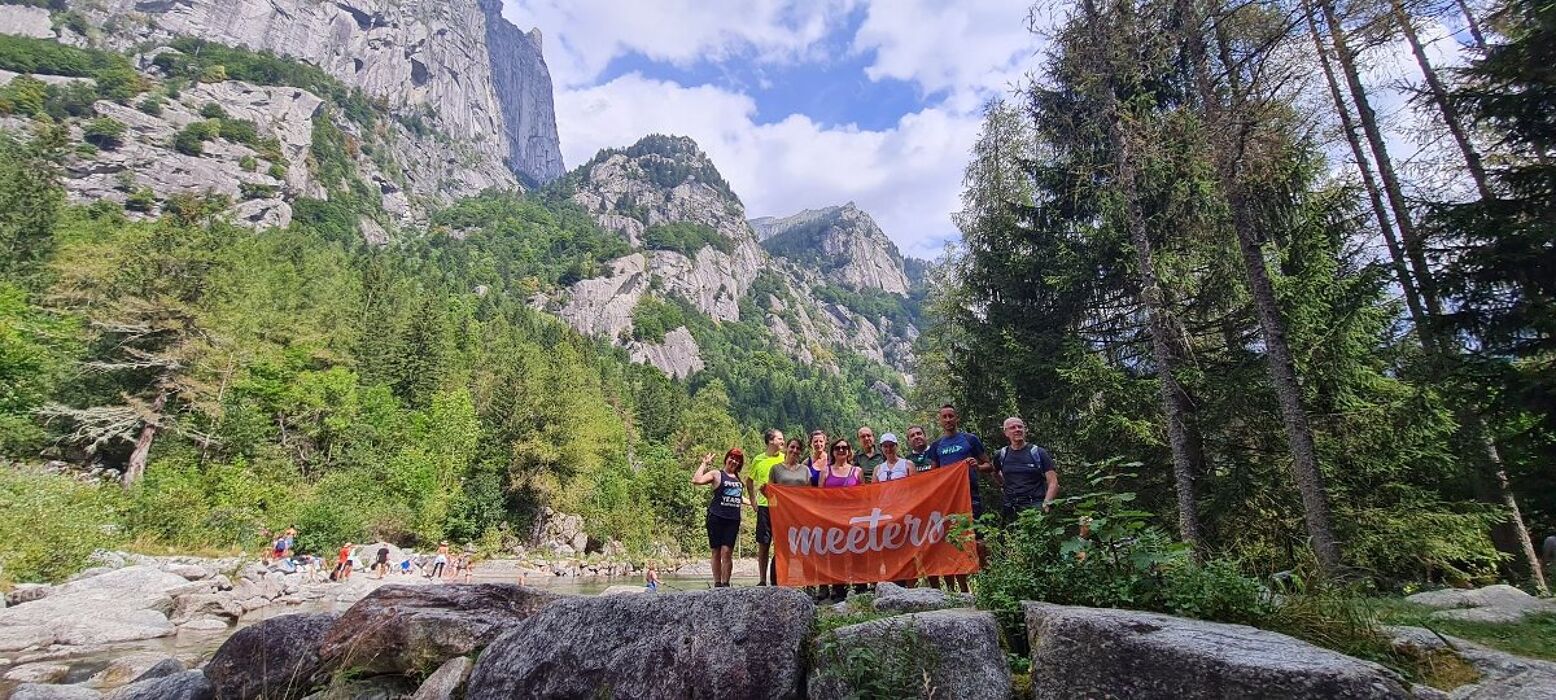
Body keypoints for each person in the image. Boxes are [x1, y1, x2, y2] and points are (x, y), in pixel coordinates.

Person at [928, 404, 991, 593]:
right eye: (944, 417)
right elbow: (933, 476)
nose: (948, 420)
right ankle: (964, 591)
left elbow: (989, 465)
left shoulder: (970, 440)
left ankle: (988, 584)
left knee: (979, 542)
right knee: (952, 544)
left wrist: (978, 467)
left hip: (971, 497)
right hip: (948, 502)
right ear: (940, 421)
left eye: (951, 416)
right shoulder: (937, 446)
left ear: (957, 418)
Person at [693, 448, 748, 588]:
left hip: (733, 520)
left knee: (727, 551)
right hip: (716, 518)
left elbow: (738, 497)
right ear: (726, 458)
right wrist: (704, 463)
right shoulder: (717, 474)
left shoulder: (738, 479)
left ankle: (726, 584)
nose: (734, 461)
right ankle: (718, 583)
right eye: (732, 458)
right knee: (716, 551)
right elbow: (696, 480)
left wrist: (755, 504)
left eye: (737, 460)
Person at [766, 437, 817, 585]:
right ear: (786, 448)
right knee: (782, 551)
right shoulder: (776, 469)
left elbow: (809, 494)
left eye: (798, 448)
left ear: (801, 452)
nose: (794, 451)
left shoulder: (805, 470)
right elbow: (771, 493)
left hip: (801, 516)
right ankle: (779, 584)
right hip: (782, 516)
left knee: (805, 550)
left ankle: (809, 585)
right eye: (792, 447)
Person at [819, 438, 865, 602]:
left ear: (849, 451)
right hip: (831, 518)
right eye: (837, 448)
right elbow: (819, 497)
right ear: (832, 451)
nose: (841, 450)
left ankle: (860, 587)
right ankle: (838, 589)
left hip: (853, 518)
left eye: (844, 447)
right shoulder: (825, 472)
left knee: (857, 552)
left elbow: (864, 496)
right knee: (835, 553)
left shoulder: (857, 471)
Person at [993, 416, 1060, 521]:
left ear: (1025, 430)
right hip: (1011, 506)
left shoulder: (1038, 453)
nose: (1017, 430)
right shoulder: (1001, 454)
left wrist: (1046, 504)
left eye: (1020, 427)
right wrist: (1003, 485)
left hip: (1035, 506)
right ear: (1006, 432)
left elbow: (1053, 482)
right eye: (1012, 427)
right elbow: (995, 472)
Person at [746, 429, 785, 586]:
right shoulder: (758, 459)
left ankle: (779, 579)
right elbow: (749, 481)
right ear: (770, 440)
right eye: (780, 438)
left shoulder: (785, 458)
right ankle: (762, 580)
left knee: (781, 545)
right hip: (764, 506)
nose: (783, 441)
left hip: (781, 508)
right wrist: (753, 501)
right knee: (763, 544)